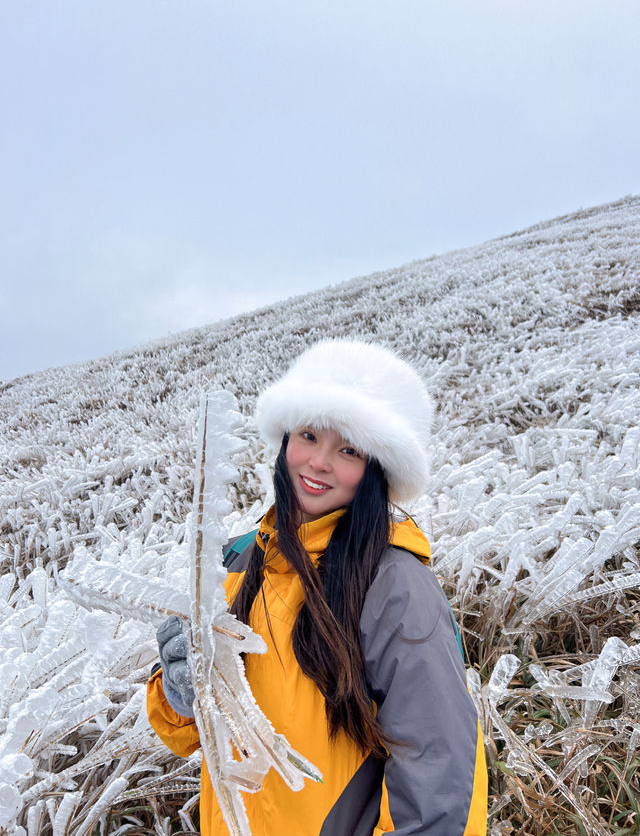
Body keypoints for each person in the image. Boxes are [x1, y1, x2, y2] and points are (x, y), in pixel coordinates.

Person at [147, 339, 488, 835]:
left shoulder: (394, 585)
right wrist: (181, 697)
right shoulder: (238, 559)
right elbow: (193, 737)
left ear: (377, 470)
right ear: (284, 439)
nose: (319, 462)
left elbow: (440, 777)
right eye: (308, 435)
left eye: (348, 448)